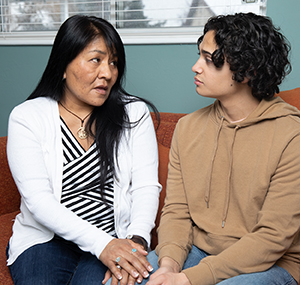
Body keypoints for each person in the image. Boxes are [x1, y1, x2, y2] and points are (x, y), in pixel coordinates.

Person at [139, 12, 300, 285]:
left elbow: (272, 237)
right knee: (136, 277)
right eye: (199, 55)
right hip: (198, 251)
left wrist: (189, 279)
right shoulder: (188, 128)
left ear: (249, 70)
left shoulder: (291, 135)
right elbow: (177, 211)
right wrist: (168, 265)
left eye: (209, 59)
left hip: (272, 264)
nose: (195, 67)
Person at [6, 15, 161, 285]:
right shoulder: (27, 117)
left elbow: (146, 186)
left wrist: (135, 241)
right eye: (96, 60)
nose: (108, 72)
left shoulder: (133, 112)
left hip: (113, 236)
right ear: (63, 66)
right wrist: (103, 245)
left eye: (113, 62)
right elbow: (39, 201)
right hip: (47, 241)